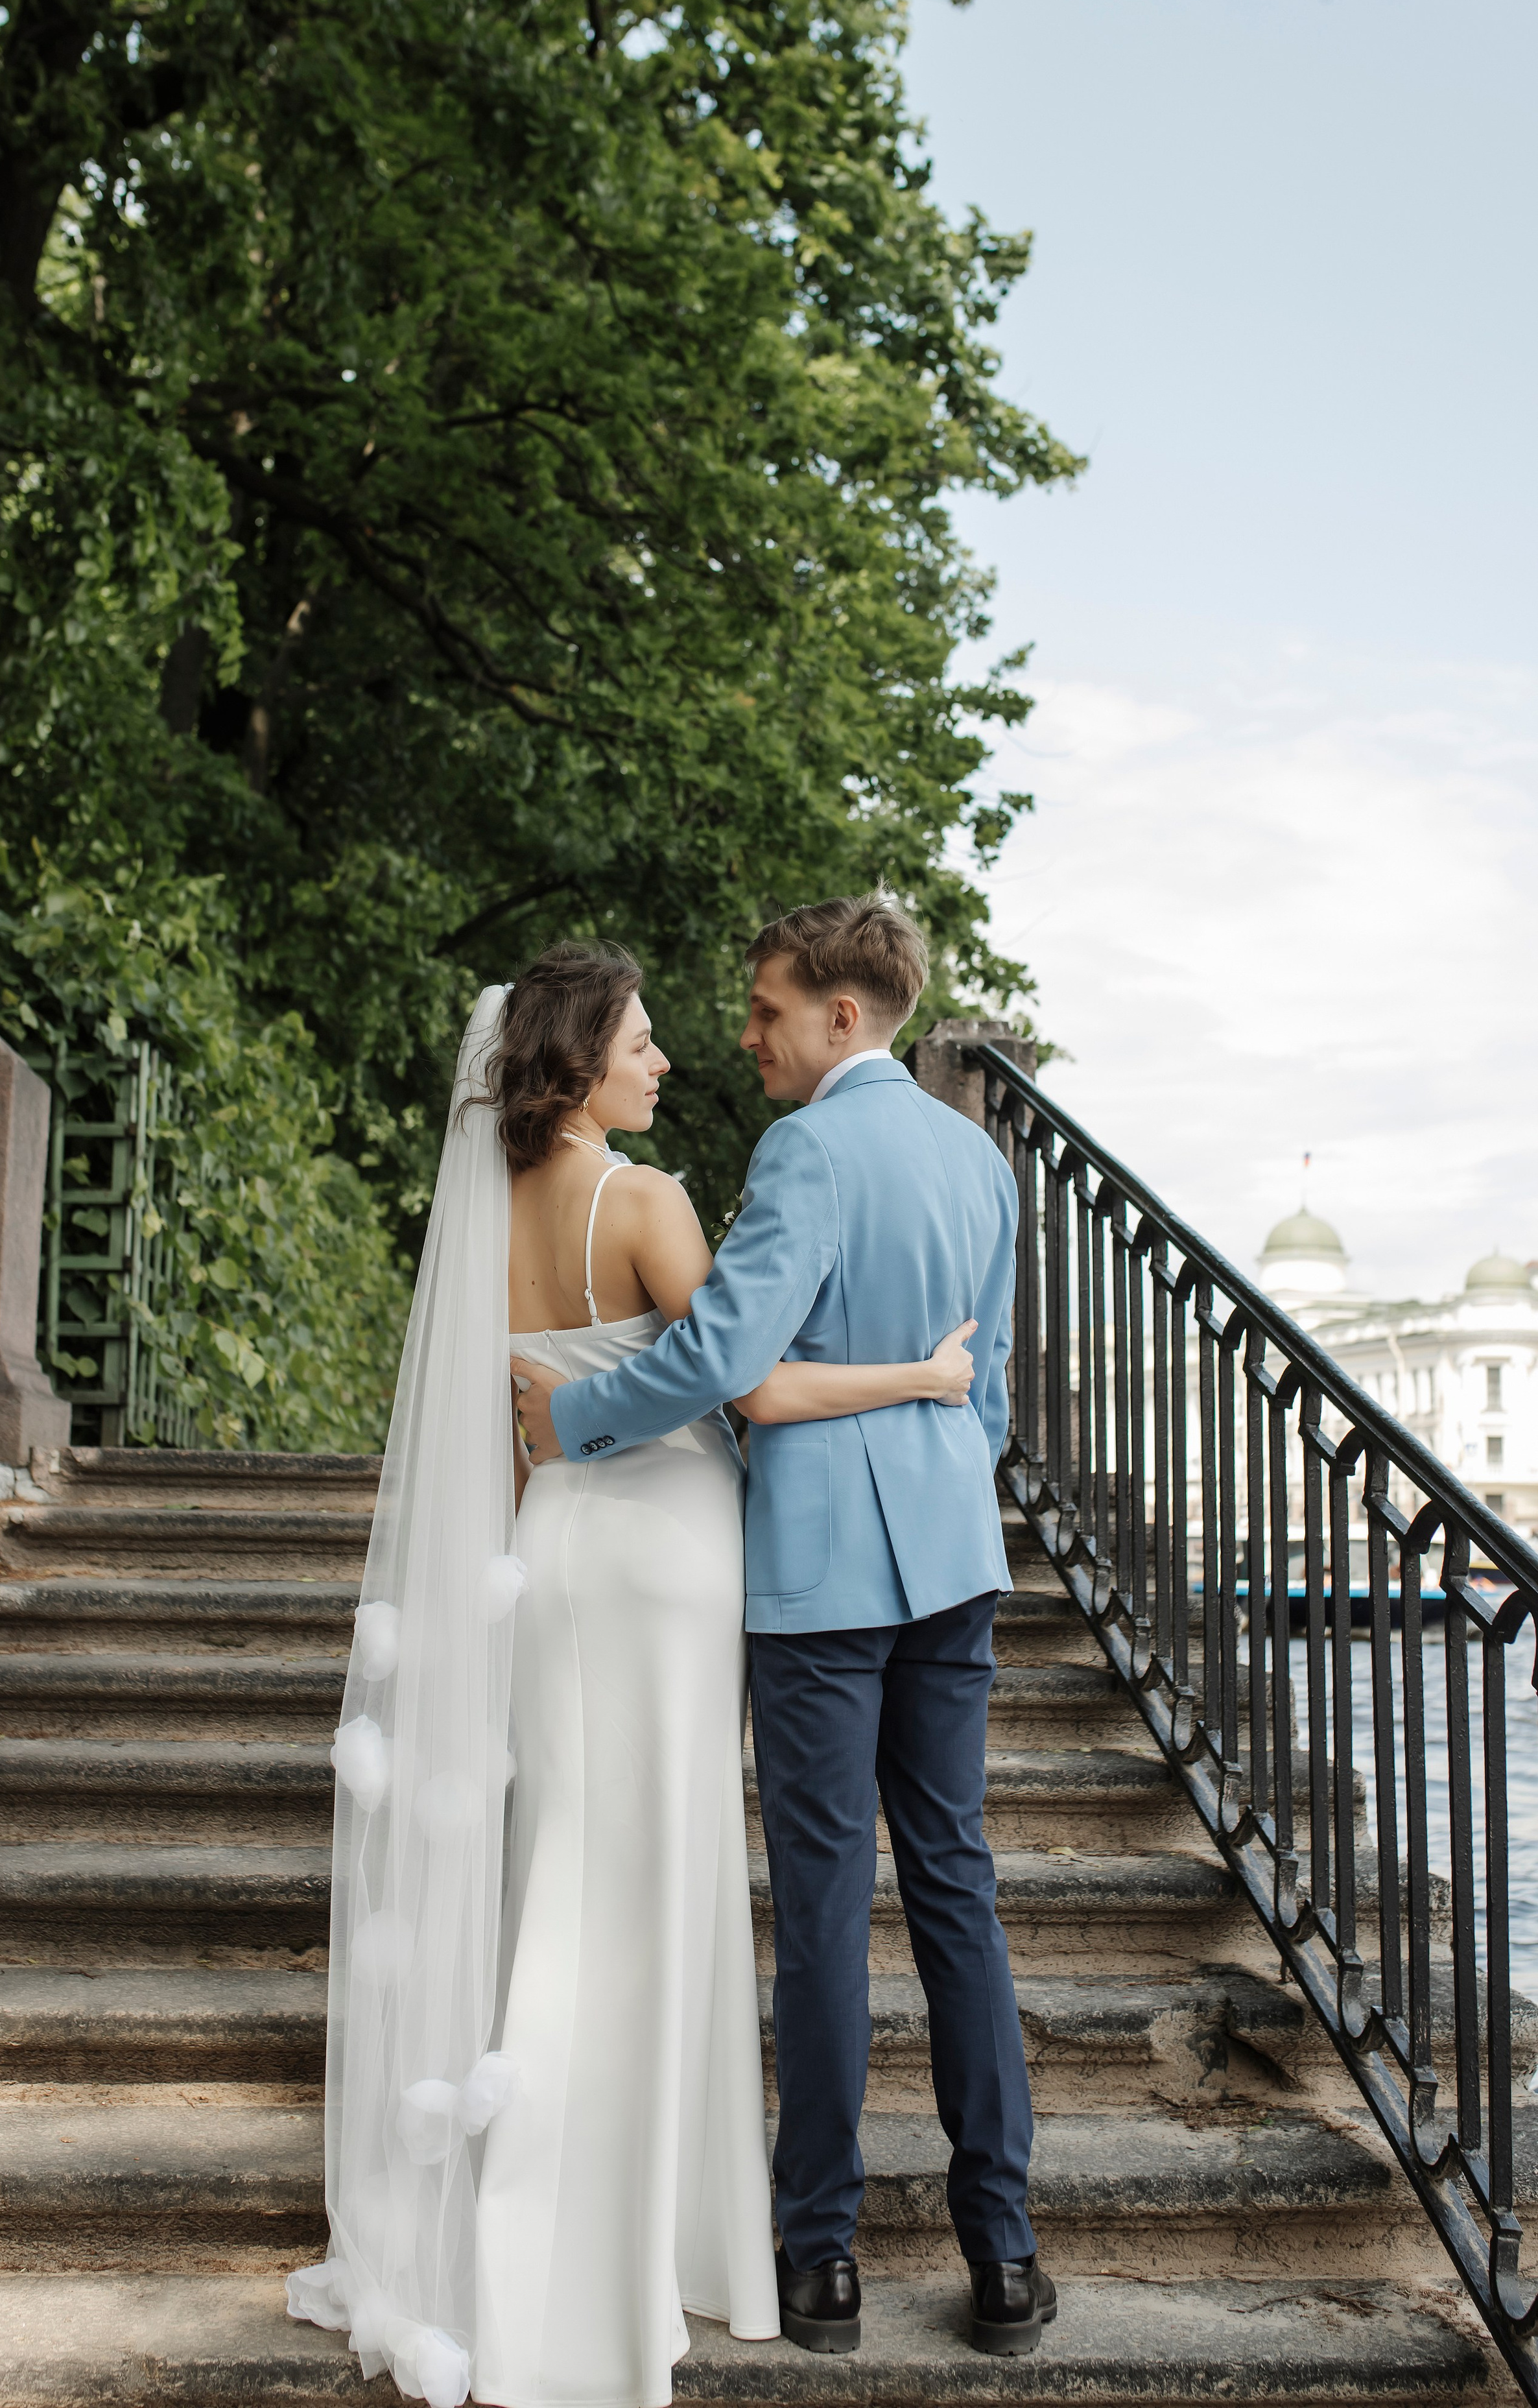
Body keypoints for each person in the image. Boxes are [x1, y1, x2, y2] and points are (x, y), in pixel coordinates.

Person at [289, 941, 981, 2408]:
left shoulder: (488, 1212)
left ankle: (533, 2215)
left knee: (566, 1873)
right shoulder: (648, 1201)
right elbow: (754, 1382)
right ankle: (645, 2241)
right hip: (667, 1552)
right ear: (579, 1060)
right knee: (658, 1885)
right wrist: (924, 1379)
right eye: (643, 1042)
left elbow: (525, 1420)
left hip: (548, 1550)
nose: (670, 1059)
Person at [514, 894, 1054, 2363]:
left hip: (820, 1579)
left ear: (839, 1014)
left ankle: (817, 2264)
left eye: (762, 1011)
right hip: (952, 1559)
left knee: (820, 1912)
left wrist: (578, 1415)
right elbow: (985, 1387)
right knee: (954, 1887)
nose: (742, 1035)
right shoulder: (977, 1160)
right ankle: (1000, 2257)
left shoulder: (805, 1146)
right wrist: (950, 1490)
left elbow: (724, 1354)